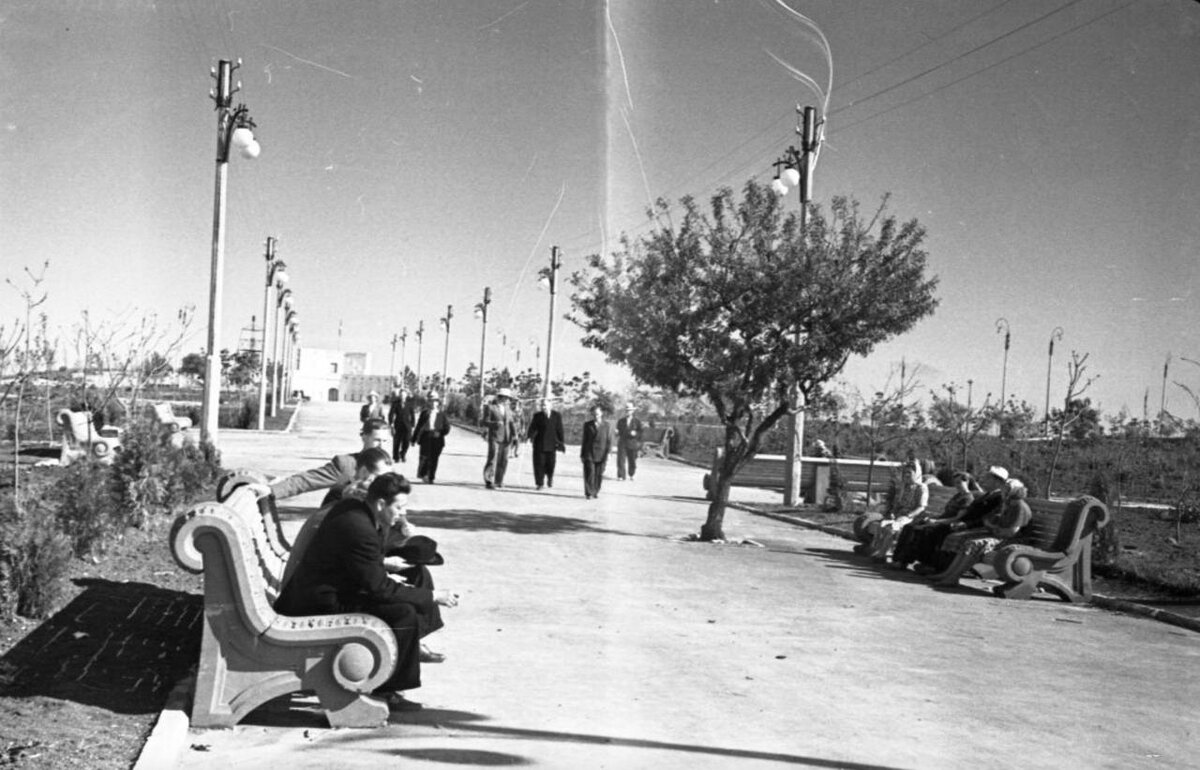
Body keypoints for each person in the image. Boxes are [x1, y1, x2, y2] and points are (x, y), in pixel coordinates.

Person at [274, 472, 460, 711]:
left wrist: (385, 565)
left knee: (414, 580)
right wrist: (434, 596)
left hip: (326, 590)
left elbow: (359, 566)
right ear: (381, 504)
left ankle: (404, 652)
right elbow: (379, 589)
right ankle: (387, 691)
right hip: (317, 604)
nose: (403, 513)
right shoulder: (359, 528)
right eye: (399, 507)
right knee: (402, 613)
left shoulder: (355, 510)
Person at [931, 478, 1032, 587]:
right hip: (999, 534)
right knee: (965, 540)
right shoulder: (1007, 504)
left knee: (973, 544)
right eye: (1004, 489)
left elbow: (1011, 532)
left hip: (1011, 541)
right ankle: (948, 574)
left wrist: (993, 527)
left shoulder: (1019, 506)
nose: (1004, 491)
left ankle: (953, 578)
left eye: (1007, 489)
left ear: (1015, 491)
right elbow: (987, 519)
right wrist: (992, 525)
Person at [911, 466, 1009, 576]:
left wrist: (966, 524)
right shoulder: (986, 494)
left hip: (976, 527)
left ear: (997, 481)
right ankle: (928, 563)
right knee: (933, 528)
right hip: (964, 522)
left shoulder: (998, 497)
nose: (984, 480)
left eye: (988, 478)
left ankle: (938, 567)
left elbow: (987, 518)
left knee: (942, 531)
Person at [268, 419, 392, 501]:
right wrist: (272, 490)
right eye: (377, 440)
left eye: (385, 441)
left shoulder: (387, 467)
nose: (381, 445)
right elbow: (307, 480)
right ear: (364, 437)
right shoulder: (346, 464)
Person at [889, 470, 981, 571]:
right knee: (909, 527)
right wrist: (932, 518)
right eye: (955, 483)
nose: (957, 485)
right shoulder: (957, 496)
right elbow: (946, 513)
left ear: (966, 482)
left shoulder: (967, 498)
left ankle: (919, 563)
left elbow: (957, 518)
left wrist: (936, 522)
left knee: (924, 531)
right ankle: (898, 559)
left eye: (959, 482)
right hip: (940, 521)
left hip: (949, 525)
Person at [861, 462, 928, 561]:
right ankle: (875, 550)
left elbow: (921, 507)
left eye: (909, 473)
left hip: (911, 518)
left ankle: (881, 555)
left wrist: (909, 515)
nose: (906, 475)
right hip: (898, 516)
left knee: (891, 529)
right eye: (905, 472)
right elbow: (897, 504)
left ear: (917, 473)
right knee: (882, 525)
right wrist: (892, 513)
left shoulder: (921, 488)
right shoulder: (904, 487)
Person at [482, 387, 518, 489]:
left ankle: (499, 480)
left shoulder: (508, 409)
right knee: (493, 458)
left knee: (504, 460)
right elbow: (484, 422)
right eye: (503, 397)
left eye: (507, 398)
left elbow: (511, 423)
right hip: (495, 437)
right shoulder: (490, 408)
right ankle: (489, 480)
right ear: (499, 397)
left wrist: (515, 435)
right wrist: (495, 423)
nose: (506, 400)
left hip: (507, 438)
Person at [411, 392, 451, 483]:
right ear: (428, 402)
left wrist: (440, 433)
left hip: (437, 439)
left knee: (434, 458)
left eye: (435, 401)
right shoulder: (425, 413)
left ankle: (431, 477)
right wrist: (413, 439)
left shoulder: (441, 414)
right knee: (425, 457)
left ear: (438, 402)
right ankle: (424, 474)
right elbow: (419, 426)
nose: (433, 403)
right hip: (426, 437)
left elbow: (447, 428)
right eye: (431, 401)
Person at [526, 398, 565, 490]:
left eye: (545, 405)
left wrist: (561, 442)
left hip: (552, 444)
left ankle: (550, 478)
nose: (543, 407)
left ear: (550, 406)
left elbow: (560, 429)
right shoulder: (537, 416)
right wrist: (529, 437)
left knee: (551, 464)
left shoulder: (556, 415)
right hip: (539, 444)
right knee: (539, 464)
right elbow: (532, 428)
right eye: (542, 405)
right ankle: (540, 483)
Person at [580, 404, 612, 499]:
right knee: (589, 472)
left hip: (602, 453)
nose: (595, 416)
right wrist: (582, 454)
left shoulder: (607, 425)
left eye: (597, 414)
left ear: (601, 413)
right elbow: (584, 440)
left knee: (599, 473)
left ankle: (595, 490)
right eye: (594, 414)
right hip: (589, 452)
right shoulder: (587, 425)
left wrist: (609, 453)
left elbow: (609, 440)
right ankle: (589, 492)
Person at [615, 403, 644, 481]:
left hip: (632, 443)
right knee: (620, 460)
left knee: (632, 460)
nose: (628, 412)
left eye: (630, 410)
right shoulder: (621, 421)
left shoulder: (637, 421)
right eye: (627, 410)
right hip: (622, 442)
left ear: (632, 411)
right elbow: (618, 431)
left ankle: (632, 474)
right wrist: (617, 432)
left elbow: (641, 432)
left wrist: (636, 433)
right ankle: (621, 475)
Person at [388, 386, 414, 463]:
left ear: (406, 395)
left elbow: (413, 415)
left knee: (406, 442)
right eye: (401, 395)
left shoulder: (409, 404)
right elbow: (391, 414)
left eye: (404, 395)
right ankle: (396, 457)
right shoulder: (395, 404)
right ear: (399, 395)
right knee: (396, 442)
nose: (402, 396)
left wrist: (413, 425)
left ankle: (403, 454)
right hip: (398, 426)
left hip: (407, 426)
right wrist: (391, 424)